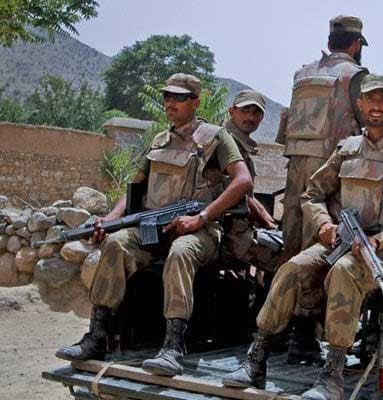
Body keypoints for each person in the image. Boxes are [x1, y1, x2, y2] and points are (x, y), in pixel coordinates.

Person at [222, 74, 383, 400]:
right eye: (370, 99)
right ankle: (257, 357)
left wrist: (380, 240)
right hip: (340, 240)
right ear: (360, 105)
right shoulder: (346, 150)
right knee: (293, 268)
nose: (376, 105)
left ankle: (332, 376)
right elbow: (312, 194)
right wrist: (323, 224)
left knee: (345, 272)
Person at [55, 73, 253, 377]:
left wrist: (201, 217)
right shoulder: (160, 140)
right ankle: (97, 335)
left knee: (181, 252)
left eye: (179, 97)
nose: (170, 102)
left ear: (196, 102)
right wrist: (109, 221)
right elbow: (134, 188)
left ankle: (173, 346)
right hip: (154, 225)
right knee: (116, 243)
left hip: (198, 230)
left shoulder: (215, 137)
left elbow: (242, 181)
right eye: (167, 97)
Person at [278, 14, 369, 263]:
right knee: (320, 239)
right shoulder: (356, 75)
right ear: (356, 44)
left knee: (291, 235)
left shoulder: (302, 74)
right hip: (329, 169)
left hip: (295, 164)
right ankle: (308, 300)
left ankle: (280, 295)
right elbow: (369, 124)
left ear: (330, 44)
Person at [223, 89, 282, 272]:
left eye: (256, 112)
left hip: (238, 227)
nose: (250, 117)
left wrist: (271, 223)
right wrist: (270, 224)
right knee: (287, 262)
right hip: (228, 231)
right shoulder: (225, 143)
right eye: (245, 111)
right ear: (232, 111)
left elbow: (248, 195)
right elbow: (240, 195)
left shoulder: (239, 143)